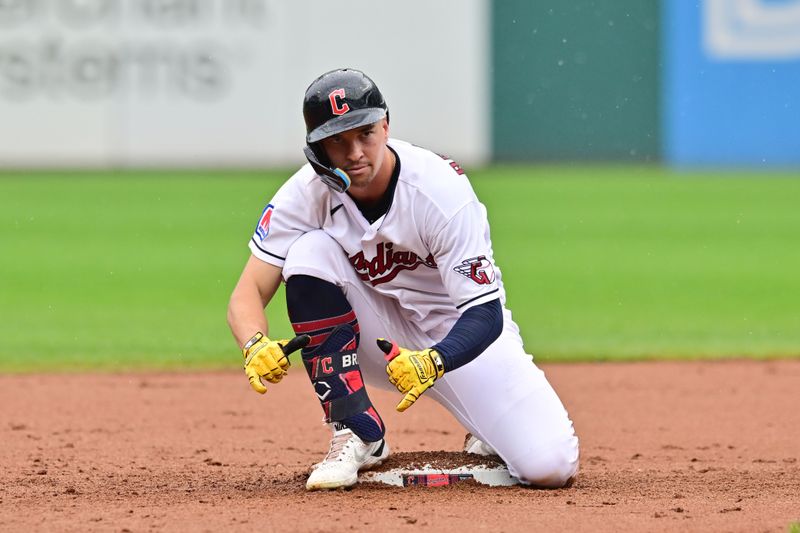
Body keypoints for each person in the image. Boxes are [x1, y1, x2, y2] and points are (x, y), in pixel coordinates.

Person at [227, 68, 579, 491]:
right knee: (307, 253)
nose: (355, 151)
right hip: (380, 339)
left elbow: (485, 315)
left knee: (550, 466)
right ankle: (356, 429)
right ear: (317, 148)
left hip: (461, 336)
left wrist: (436, 359)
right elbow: (247, 293)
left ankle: (485, 422)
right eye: (337, 140)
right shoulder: (305, 194)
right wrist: (253, 344)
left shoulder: (438, 190)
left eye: (365, 133)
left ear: (386, 125)